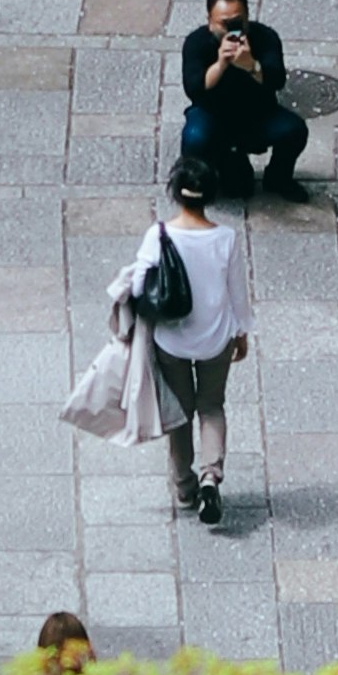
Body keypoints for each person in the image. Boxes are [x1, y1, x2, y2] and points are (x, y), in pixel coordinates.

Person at [117, 167, 253, 523]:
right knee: (211, 406)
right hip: (216, 339)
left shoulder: (158, 235)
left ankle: (184, 486)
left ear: (174, 192)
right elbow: (237, 291)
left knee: (179, 414)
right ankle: (212, 475)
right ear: (211, 196)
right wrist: (241, 332)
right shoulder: (226, 238)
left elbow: (138, 287)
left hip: (172, 341)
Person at [177, 0, 309, 196]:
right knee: (194, 138)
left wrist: (251, 66)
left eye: (237, 22)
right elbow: (194, 89)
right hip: (212, 115)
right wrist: (221, 64)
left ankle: (278, 178)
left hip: (257, 113)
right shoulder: (196, 43)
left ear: (247, 18)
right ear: (210, 22)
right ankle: (196, 184)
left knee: (294, 129)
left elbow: (277, 80)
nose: (231, 30)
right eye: (224, 23)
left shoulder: (265, 37)